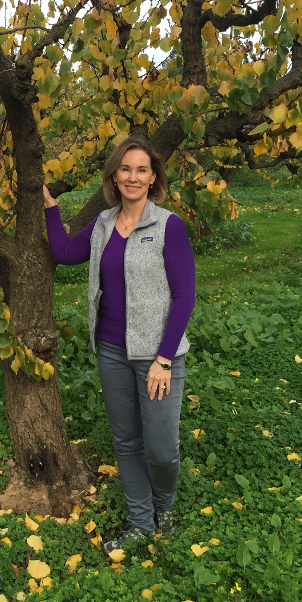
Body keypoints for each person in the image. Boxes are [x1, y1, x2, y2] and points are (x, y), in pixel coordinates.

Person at [42, 136, 195, 551]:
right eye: (125, 168)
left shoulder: (168, 226)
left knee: (161, 449)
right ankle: (141, 521)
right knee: (127, 442)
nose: (133, 176)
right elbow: (64, 251)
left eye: (141, 169)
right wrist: (50, 207)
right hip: (111, 350)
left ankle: (164, 505)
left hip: (157, 358)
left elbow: (184, 297)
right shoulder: (104, 224)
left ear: (153, 178)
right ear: (114, 175)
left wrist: (164, 359)